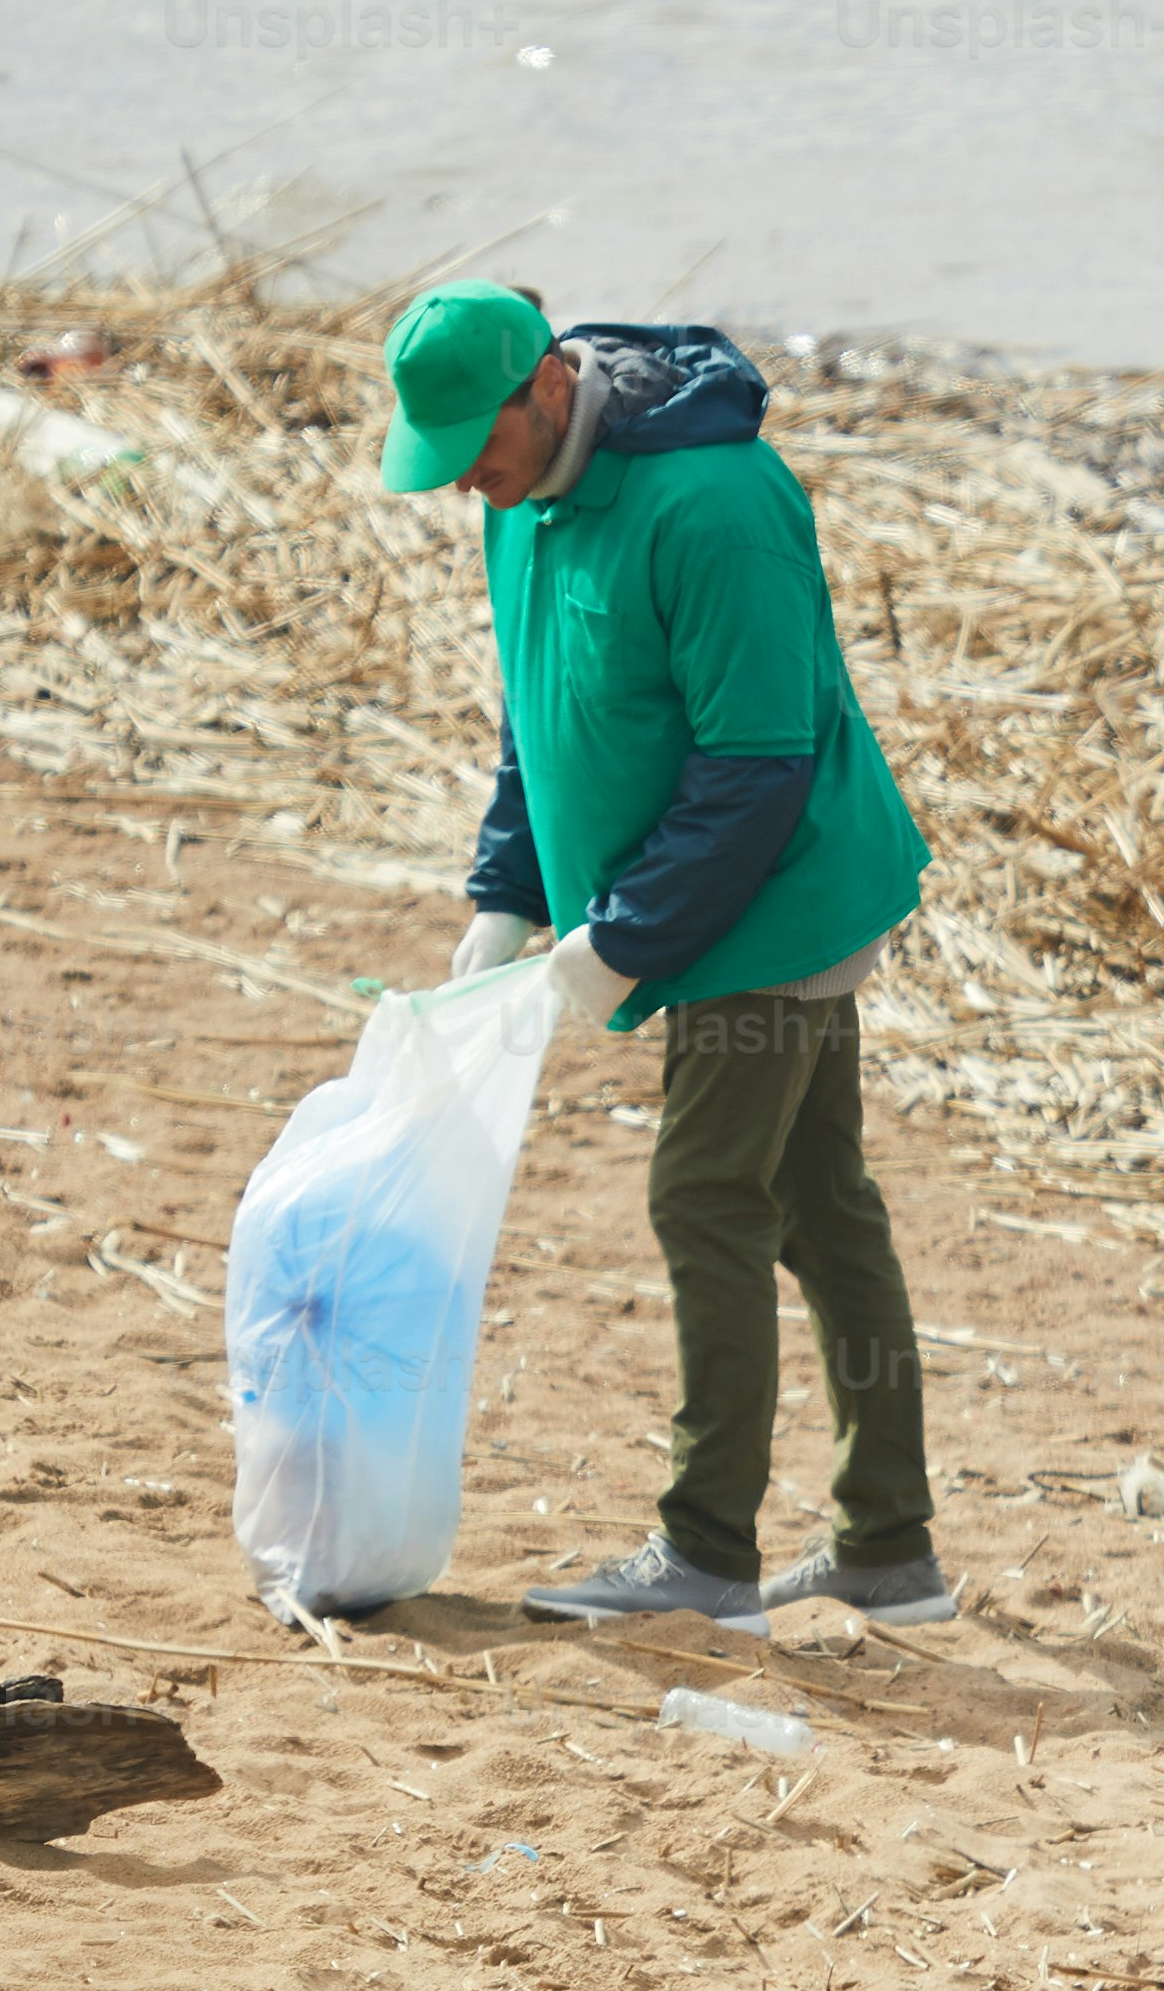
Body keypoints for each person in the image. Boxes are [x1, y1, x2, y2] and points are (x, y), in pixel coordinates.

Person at [375, 278, 949, 1632]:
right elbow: (539, 718)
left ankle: (707, 1554)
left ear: (549, 384)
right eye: (446, 460)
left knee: (708, 1200)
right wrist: (504, 897)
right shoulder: (520, 508)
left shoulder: (717, 505)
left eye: (480, 444)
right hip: (691, 904)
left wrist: (617, 945)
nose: (467, 481)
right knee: (819, 1202)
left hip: (781, 901)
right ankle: (887, 1547)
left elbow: (757, 766)